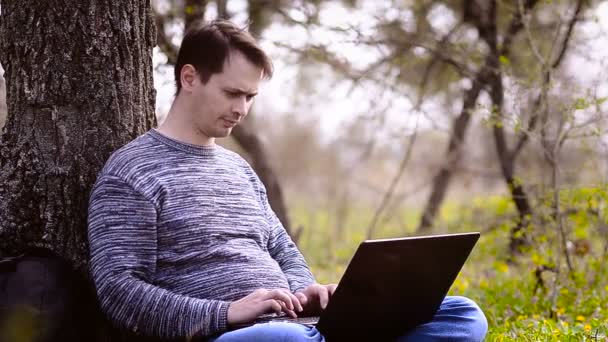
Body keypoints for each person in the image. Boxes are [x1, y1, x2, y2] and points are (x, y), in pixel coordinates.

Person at [87, 19, 488, 341]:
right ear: (189, 78)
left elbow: (283, 250)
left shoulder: (238, 169)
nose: (241, 109)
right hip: (236, 335)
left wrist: (305, 291)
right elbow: (119, 292)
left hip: (300, 326)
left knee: (463, 315)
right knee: (281, 339)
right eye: (232, 93)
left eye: (250, 97)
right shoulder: (132, 172)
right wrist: (226, 313)